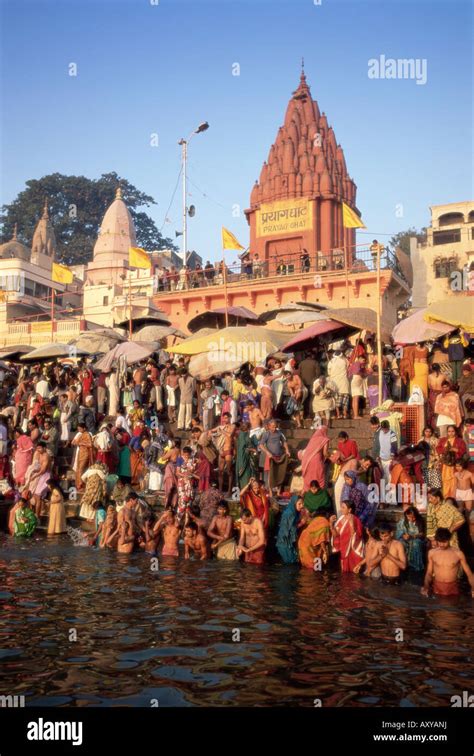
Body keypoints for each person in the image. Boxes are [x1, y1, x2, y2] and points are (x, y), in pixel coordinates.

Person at [422, 527, 474, 597]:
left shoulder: (458, 553)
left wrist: (473, 588)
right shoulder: (432, 553)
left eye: (444, 542)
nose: (442, 544)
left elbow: (469, 574)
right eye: (440, 542)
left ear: (449, 539)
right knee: (436, 607)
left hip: (453, 588)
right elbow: (429, 573)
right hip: (437, 587)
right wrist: (426, 586)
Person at [330, 500, 364, 573]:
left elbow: (355, 536)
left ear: (349, 510)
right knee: (345, 573)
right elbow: (336, 535)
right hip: (344, 548)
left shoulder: (355, 519)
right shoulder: (341, 518)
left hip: (353, 550)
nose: (341, 509)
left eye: (343, 507)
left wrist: (351, 523)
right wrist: (331, 524)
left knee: (354, 573)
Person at [259, 419, 289, 494]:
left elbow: (284, 442)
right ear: (269, 426)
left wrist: (287, 450)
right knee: (270, 474)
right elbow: (261, 445)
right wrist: (267, 452)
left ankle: (278, 491)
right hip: (270, 457)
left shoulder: (279, 433)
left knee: (279, 473)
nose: (274, 429)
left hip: (278, 456)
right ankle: (270, 491)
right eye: (272, 427)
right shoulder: (266, 434)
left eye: (275, 427)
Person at [436, 425, 467, 499]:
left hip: (454, 464)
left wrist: (454, 449)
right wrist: (445, 450)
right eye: (449, 431)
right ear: (447, 432)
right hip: (445, 465)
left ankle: (453, 499)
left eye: (452, 431)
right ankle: (446, 497)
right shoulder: (443, 440)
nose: (451, 433)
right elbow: (438, 448)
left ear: (455, 432)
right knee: (445, 481)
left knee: (454, 481)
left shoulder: (460, 440)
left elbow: (463, 450)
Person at [276, 496, 306, 564]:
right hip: (284, 542)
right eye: (299, 504)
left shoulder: (295, 511)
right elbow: (291, 529)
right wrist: (301, 523)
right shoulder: (290, 513)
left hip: (288, 541)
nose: (302, 506)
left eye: (302, 503)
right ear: (294, 503)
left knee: (293, 561)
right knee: (290, 563)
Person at [298, 426, 329, 490]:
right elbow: (325, 453)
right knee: (319, 478)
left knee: (309, 478)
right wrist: (331, 456)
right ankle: (319, 494)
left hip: (307, 461)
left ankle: (307, 493)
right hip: (317, 461)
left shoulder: (312, 439)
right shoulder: (325, 439)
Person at [395, 506, 426, 571]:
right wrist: (403, 535)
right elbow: (398, 531)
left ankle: (415, 565)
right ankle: (402, 563)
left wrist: (413, 536)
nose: (411, 519)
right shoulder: (403, 521)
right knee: (400, 543)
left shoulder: (420, 521)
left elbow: (422, 534)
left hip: (416, 538)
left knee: (416, 543)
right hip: (405, 538)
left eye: (413, 517)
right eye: (409, 517)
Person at [372, 420, 398, 485]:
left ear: (388, 427)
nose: (385, 430)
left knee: (389, 475)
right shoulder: (379, 433)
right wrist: (377, 455)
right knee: (383, 475)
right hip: (381, 458)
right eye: (383, 429)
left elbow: (394, 445)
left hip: (389, 458)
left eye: (386, 429)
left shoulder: (392, 434)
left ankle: (391, 491)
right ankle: (384, 491)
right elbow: (377, 445)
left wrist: (392, 454)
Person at [71, 422, 94, 491]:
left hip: (85, 453)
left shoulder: (87, 434)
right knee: (78, 469)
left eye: (80, 429)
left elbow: (90, 444)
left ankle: (81, 484)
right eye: (78, 429)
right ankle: (79, 485)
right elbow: (73, 442)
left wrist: (81, 443)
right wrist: (77, 442)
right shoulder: (80, 435)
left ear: (84, 428)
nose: (79, 430)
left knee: (81, 469)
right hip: (80, 453)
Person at [327, 350, 350, 419]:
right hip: (344, 383)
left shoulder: (331, 362)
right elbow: (348, 368)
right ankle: (345, 414)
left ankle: (338, 414)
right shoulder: (345, 360)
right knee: (345, 400)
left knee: (337, 401)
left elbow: (329, 373)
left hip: (335, 384)